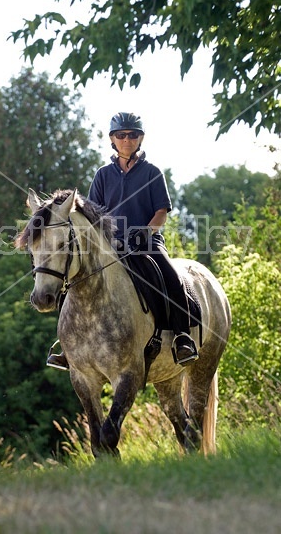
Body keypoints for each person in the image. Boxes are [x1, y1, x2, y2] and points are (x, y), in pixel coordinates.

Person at [46, 111, 198, 370]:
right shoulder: (103, 175)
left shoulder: (152, 173)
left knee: (172, 277)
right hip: (111, 246)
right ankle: (66, 343)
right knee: (73, 280)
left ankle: (182, 338)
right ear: (112, 140)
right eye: (121, 135)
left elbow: (161, 211)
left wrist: (146, 232)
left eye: (132, 135)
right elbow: (93, 213)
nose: (126, 139)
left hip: (146, 242)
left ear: (140, 139)